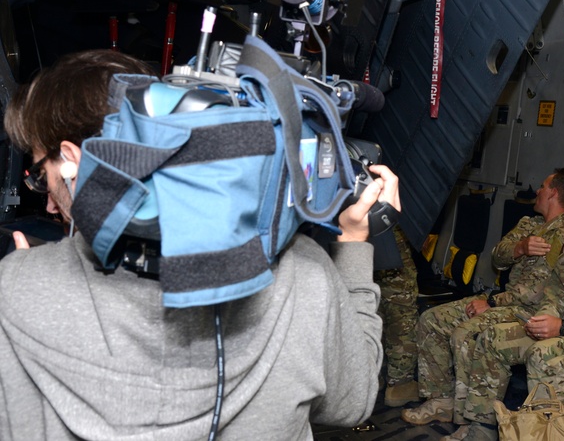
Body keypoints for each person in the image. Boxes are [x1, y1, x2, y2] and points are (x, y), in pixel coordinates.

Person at [0, 49, 395, 440]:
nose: (48, 201)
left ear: (72, 160)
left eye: (40, 175)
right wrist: (353, 244)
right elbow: (353, 401)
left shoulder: (17, 287)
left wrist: (27, 291)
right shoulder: (304, 272)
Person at [455, 157, 564, 441]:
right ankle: (481, 429)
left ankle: (556, 434)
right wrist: (545, 318)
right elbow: (555, 288)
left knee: (544, 356)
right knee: (492, 338)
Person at [401, 170, 564, 428]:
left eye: (542, 186)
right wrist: (520, 247)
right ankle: (441, 401)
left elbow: (535, 292)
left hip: (526, 310)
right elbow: (497, 257)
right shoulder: (528, 224)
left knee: (466, 333)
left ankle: (466, 420)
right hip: (505, 300)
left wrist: (492, 303)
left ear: (553, 192)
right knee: (432, 319)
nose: (537, 191)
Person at [376, 225, 420, 407]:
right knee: (401, 312)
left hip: (357, 233)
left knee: (369, 308)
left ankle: (370, 376)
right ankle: (400, 384)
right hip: (389, 235)